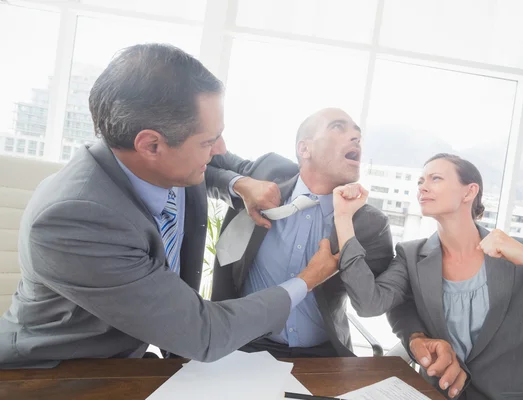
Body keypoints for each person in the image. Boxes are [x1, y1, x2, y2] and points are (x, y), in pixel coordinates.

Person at [0, 44, 336, 369]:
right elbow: (203, 333)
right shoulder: (75, 220)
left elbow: (221, 165)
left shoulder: (152, 156)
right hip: (59, 372)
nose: (219, 149)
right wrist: (306, 279)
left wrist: (237, 183)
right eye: (208, 141)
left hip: (136, 361)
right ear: (151, 145)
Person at [209, 109, 466, 393]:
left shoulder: (368, 223)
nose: (356, 136)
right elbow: (198, 164)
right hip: (243, 348)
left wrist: (415, 336)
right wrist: (238, 183)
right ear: (304, 148)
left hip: (323, 357)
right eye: (338, 127)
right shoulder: (266, 172)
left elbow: (388, 296)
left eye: (357, 132)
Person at [322, 153, 523, 399]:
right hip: (440, 393)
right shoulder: (410, 255)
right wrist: (344, 219)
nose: (422, 187)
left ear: (469, 192)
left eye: (435, 178)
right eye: (420, 181)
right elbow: (369, 303)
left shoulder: (522, 253)